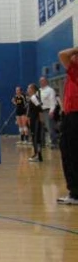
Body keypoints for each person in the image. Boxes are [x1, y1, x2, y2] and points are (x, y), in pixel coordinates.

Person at [57, 46, 78, 205]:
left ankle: (75, 193)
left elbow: (62, 54)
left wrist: (76, 49)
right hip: (70, 115)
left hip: (74, 117)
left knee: (70, 153)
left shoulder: (75, 70)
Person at [26, 83, 43, 163]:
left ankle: (37, 155)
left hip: (35, 121)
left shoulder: (33, 97)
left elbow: (40, 109)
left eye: (29, 88)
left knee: (36, 139)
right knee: (36, 139)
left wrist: (40, 121)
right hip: (33, 121)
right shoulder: (32, 97)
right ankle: (39, 156)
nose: (27, 90)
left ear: (32, 89)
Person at [39, 77, 58, 148]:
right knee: (40, 128)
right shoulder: (39, 90)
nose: (41, 82)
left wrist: (51, 111)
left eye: (42, 81)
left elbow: (53, 102)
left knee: (50, 128)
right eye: (40, 81)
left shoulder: (50, 90)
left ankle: (54, 143)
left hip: (48, 111)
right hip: (40, 111)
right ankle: (42, 143)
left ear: (46, 81)